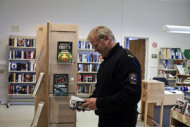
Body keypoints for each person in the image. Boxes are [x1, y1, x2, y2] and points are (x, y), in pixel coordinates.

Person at [81, 26, 141, 127]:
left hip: (121, 121)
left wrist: (99, 103)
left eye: (96, 45)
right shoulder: (107, 60)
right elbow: (102, 87)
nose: (95, 50)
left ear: (107, 39)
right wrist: (88, 101)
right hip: (106, 116)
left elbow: (132, 95)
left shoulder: (127, 60)